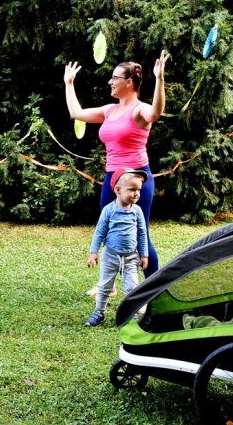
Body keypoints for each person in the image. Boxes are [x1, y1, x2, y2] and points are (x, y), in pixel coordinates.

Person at [64, 50, 169, 288]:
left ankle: (155, 287)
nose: (110, 82)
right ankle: (109, 285)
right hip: (113, 179)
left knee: (140, 235)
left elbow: (156, 112)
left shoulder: (139, 110)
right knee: (111, 232)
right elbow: (76, 113)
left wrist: (159, 79)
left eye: (115, 78)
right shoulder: (109, 110)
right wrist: (69, 84)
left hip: (136, 179)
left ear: (129, 82)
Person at [84, 169, 149, 327]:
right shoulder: (109, 210)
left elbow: (142, 234)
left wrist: (144, 255)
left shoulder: (137, 211)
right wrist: (93, 253)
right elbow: (99, 232)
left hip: (131, 257)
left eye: (139, 190)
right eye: (132, 189)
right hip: (110, 255)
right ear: (118, 190)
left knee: (131, 288)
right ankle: (99, 312)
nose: (136, 193)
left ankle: (133, 314)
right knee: (105, 286)